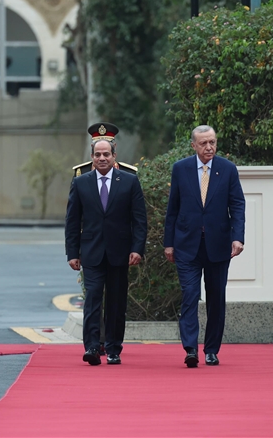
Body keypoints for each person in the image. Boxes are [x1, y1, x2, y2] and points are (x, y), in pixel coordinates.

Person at [163, 125, 246, 368]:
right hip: (186, 244)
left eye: (212, 142)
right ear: (194, 145)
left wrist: (237, 237)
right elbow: (173, 208)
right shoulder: (181, 169)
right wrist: (169, 243)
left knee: (216, 298)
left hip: (218, 245)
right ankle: (190, 348)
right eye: (203, 143)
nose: (209, 147)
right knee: (190, 295)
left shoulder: (227, 169)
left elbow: (237, 205)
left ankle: (211, 350)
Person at [65, 138, 147, 366]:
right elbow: (72, 221)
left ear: (114, 156)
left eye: (106, 154)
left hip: (120, 253)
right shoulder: (81, 183)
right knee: (92, 298)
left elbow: (139, 219)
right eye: (98, 154)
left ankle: (113, 348)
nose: (102, 158)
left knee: (116, 302)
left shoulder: (129, 181)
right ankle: (92, 347)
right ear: (92, 157)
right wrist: (72, 253)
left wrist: (137, 249)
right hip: (91, 252)